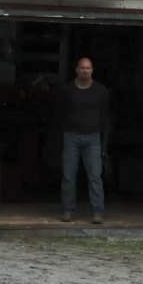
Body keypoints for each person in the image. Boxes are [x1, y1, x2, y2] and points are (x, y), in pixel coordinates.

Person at [57, 57, 110, 223]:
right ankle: (67, 210)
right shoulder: (67, 90)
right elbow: (59, 114)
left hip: (93, 137)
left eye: (88, 68)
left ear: (92, 70)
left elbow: (106, 118)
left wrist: (104, 143)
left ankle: (97, 212)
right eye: (82, 68)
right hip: (71, 136)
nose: (85, 71)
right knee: (68, 176)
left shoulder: (101, 91)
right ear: (77, 70)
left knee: (95, 176)